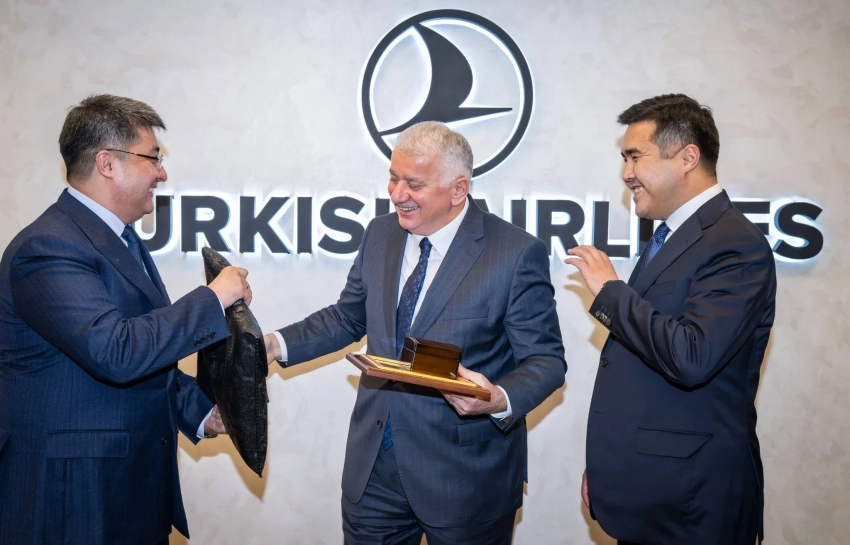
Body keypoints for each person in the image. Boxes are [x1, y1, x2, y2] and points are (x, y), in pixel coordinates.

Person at [264, 121, 566, 544]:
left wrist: (497, 398)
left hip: (465, 479)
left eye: (414, 184)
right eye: (393, 177)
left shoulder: (514, 252)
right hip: (374, 473)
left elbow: (546, 361)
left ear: (458, 189)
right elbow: (348, 317)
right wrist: (274, 345)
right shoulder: (379, 233)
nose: (397, 194)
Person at [0, 94, 252, 545]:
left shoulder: (122, 240)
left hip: (128, 492)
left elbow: (148, 357)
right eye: (152, 158)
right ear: (107, 163)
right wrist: (213, 299)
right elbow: (115, 351)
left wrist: (202, 413)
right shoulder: (47, 248)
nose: (162, 173)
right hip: (75, 499)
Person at [565, 94, 776, 545]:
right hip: (649, 490)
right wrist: (611, 466)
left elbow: (691, 356)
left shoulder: (735, 243)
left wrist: (611, 291)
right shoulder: (673, 236)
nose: (626, 173)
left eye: (634, 156)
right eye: (624, 158)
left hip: (692, 504)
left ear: (687, 158)